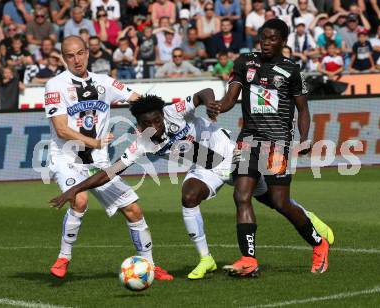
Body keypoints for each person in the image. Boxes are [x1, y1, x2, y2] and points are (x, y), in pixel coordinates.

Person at [50, 91, 334, 280]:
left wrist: (211, 104)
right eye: (148, 123)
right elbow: (110, 171)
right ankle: (205, 259)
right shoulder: (141, 143)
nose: (156, 126)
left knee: (274, 201)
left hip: (232, 155)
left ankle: (311, 222)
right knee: (188, 196)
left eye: (158, 120)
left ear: (163, 115)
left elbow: (202, 95)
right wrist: (75, 189)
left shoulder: (174, 111)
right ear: (139, 125)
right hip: (207, 167)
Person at [206, 19, 331, 277]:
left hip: (277, 143)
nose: (266, 43)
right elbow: (231, 97)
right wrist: (217, 106)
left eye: (272, 38)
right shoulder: (245, 62)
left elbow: (303, 109)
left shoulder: (292, 70)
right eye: (263, 37)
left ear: (283, 41)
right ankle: (248, 260)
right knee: (241, 196)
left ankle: (319, 243)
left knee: (280, 202)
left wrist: (304, 138)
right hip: (249, 140)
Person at [44, 35, 172, 281]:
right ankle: (63, 257)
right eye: (70, 55)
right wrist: (94, 142)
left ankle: (150, 265)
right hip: (67, 158)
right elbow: (61, 129)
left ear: (88, 53)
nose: (76, 59)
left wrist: (147, 120)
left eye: (80, 53)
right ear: (63, 57)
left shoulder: (104, 82)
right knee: (79, 200)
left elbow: (138, 99)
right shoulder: (55, 85)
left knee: (134, 211)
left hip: (99, 163)